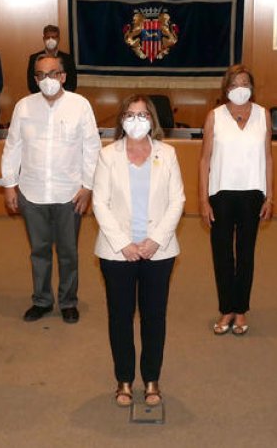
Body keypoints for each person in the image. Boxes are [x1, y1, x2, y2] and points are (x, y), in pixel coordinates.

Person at [92, 95, 185, 408]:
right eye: (130, 114)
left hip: (158, 252)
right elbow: (99, 204)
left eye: (142, 114)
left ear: (152, 119)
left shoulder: (168, 154)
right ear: (121, 120)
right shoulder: (107, 156)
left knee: (153, 317)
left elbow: (178, 201)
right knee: (120, 317)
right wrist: (123, 244)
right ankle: (124, 380)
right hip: (117, 253)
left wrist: (156, 239)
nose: (136, 120)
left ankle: (151, 379)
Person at [2, 53, 100, 323]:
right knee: (39, 251)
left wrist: (88, 186)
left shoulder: (80, 105)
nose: (48, 80)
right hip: (32, 193)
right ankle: (42, 300)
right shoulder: (23, 106)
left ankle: (68, 301)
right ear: (35, 79)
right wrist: (10, 186)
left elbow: (92, 148)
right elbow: (13, 147)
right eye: (41, 75)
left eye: (53, 73)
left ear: (63, 76)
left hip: (69, 193)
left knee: (68, 252)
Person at [198, 64, 274, 336]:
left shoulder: (263, 115)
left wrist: (270, 195)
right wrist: (203, 200)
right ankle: (226, 308)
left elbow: (267, 157)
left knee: (245, 254)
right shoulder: (214, 116)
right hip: (220, 193)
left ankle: (240, 309)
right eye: (234, 84)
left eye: (245, 83)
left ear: (251, 87)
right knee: (222, 254)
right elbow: (205, 159)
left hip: (253, 193)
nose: (240, 88)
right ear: (226, 88)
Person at [25, 24, 77, 94]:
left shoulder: (68, 59)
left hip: (62, 98)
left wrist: (57, 94)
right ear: (43, 39)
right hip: (40, 98)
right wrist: (45, 94)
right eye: (48, 37)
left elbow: (72, 84)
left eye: (54, 37)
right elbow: (32, 84)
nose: (50, 40)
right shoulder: (34, 58)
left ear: (58, 39)